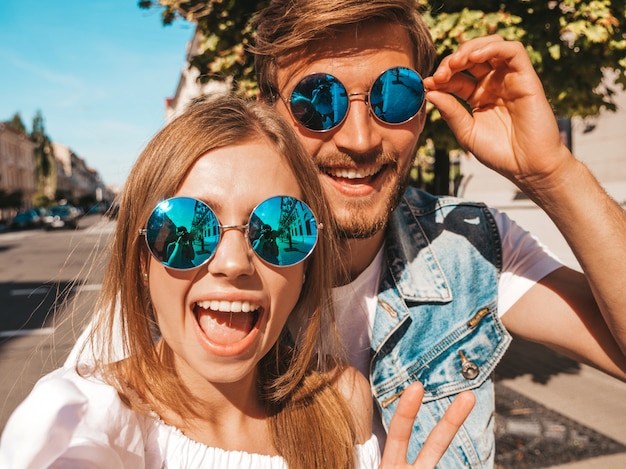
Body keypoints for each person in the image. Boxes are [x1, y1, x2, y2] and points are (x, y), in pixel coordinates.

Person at [0, 95, 475, 468]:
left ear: (307, 264)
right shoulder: (85, 416)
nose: (233, 263)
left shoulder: (339, 401)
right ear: (141, 258)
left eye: (279, 228)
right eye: (185, 228)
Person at [252, 0, 626, 466]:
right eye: (317, 100)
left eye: (394, 95)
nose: (360, 139)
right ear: (266, 113)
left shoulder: (469, 244)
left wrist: (551, 173)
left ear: (424, 112)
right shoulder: (203, 264)